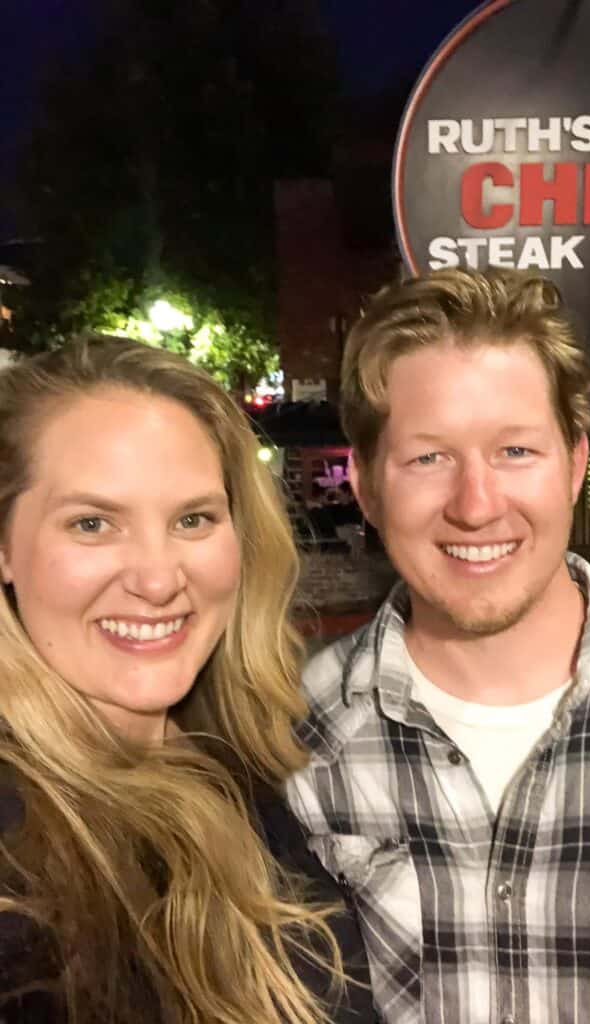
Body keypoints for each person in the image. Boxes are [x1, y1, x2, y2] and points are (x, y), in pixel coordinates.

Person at [288, 267, 590, 1024]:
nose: (476, 505)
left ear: (574, 465)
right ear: (367, 486)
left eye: (514, 451)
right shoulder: (289, 739)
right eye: (427, 457)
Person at [0, 337, 373, 1023]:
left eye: (192, 519)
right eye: (92, 523)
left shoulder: (237, 764)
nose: (157, 578)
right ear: (6, 548)